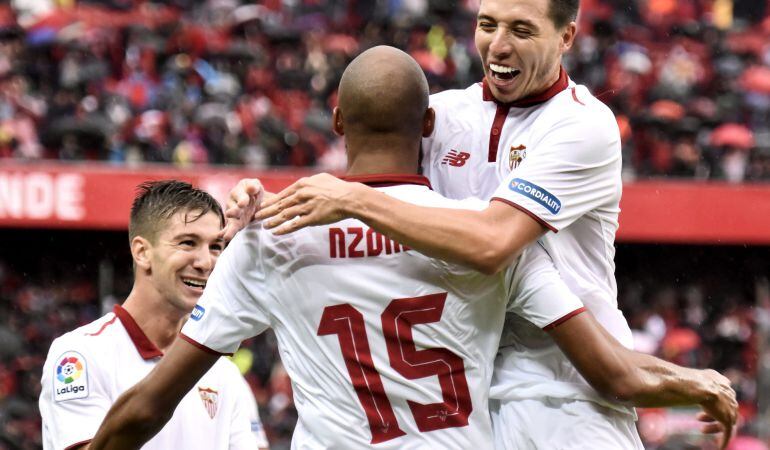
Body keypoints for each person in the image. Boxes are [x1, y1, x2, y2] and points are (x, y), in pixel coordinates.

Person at [91, 47, 735, 450]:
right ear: (428, 125)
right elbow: (614, 373)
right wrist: (696, 383)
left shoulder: (273, 237)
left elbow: (152, 401)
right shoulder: (486, 237)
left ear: (337, 122)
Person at [39, 180, 269, 450]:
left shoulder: (224, 374)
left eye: (216, 247)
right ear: (142, 252)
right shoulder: (79, 355)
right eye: (187, 243)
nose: (206, 262)